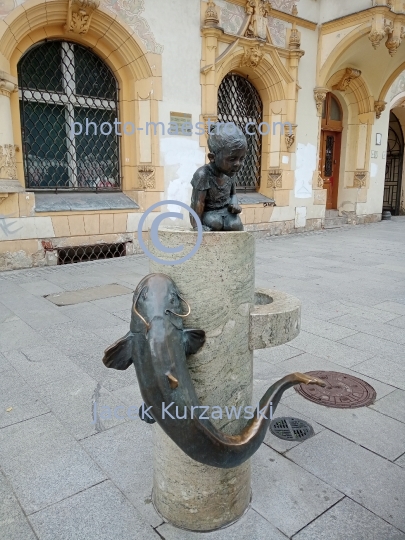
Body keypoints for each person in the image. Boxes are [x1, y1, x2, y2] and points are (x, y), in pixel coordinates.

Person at [190, 123, 247, 231]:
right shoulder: (203, 174)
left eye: (241, 159)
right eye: (232, 159)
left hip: (226, 211)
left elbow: (233, 194)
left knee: (235, 224)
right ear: (212, 157)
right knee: (215, 223)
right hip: (210, 212)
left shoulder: (230, 172)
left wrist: (234, 203)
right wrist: (197, 225)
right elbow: (197, 202)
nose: (238, 164)